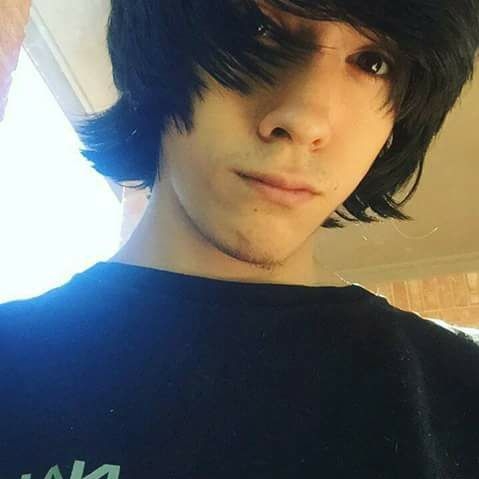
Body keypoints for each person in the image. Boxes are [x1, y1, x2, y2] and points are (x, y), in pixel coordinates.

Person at [1, 1, 478, 477]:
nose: (305, 121)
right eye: (260, 29)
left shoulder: (461, 392)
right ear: (157, 46)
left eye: (373, 63)